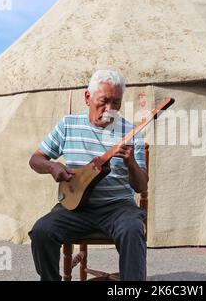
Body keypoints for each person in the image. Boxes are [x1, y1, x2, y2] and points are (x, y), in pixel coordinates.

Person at [28, 70, 149, 281]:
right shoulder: (68, 125)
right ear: (87, 98)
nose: (110, 109)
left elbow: (140, 186)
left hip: (118, 208)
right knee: (41, 231)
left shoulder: (131, 132)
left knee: (132, 230)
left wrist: (130, 163)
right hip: (75, 208)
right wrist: (53, 167)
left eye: (116, 103)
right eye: (103, 101)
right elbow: (35, 159)